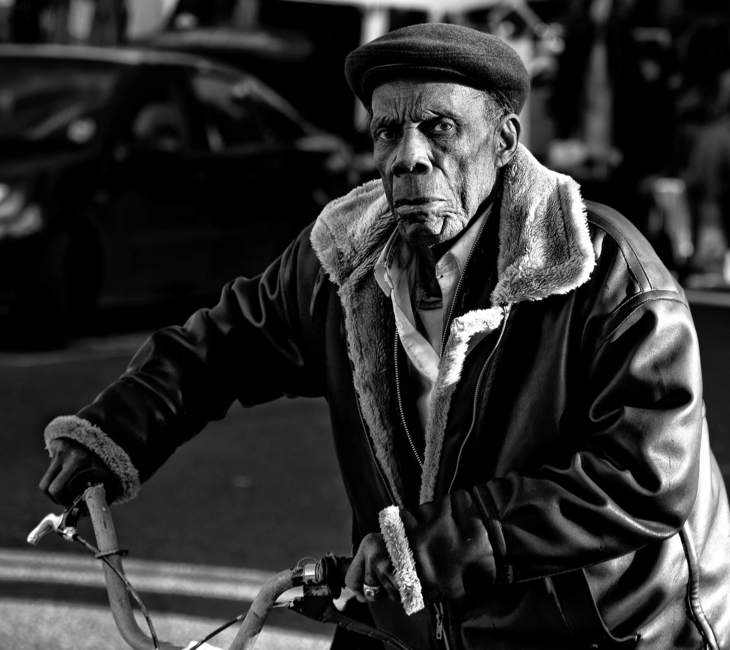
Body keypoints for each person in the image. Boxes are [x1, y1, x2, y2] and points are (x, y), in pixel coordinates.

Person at [39, 22, 730, 650]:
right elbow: (226, 343)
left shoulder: (600, 270)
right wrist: (114, 432)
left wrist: (433, 545)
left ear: (506, 139)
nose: (409, 156)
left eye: (439, 128)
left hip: (600, 629)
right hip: (416, 617)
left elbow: (645, 475)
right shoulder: (342, 257)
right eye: (387, 132)